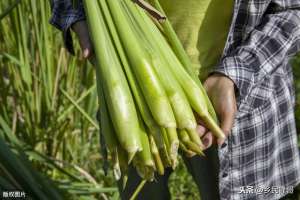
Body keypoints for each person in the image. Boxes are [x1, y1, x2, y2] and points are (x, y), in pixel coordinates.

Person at [50, 0, 300, 199]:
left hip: (239, 103)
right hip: (130, 94)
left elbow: (293, 10)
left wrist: (235, 75)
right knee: (142, 189)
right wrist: (77, 15)